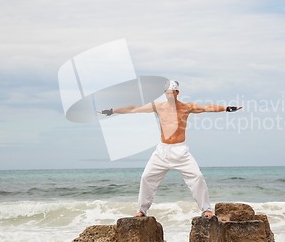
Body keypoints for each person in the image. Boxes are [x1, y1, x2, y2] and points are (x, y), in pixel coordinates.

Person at [99, 80, 241, 218]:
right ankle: (142, 210)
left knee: (197, 177)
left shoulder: (187, 107)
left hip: (180, 151)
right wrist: (112, 111)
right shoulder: (158, 106)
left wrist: (227, 108)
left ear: (177, 93)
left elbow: (207, 107)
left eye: (171, 93)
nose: (169, 95)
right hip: (162, 151)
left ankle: (206, 209)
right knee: (146, 177)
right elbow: (134, 108)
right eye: (166, 93)